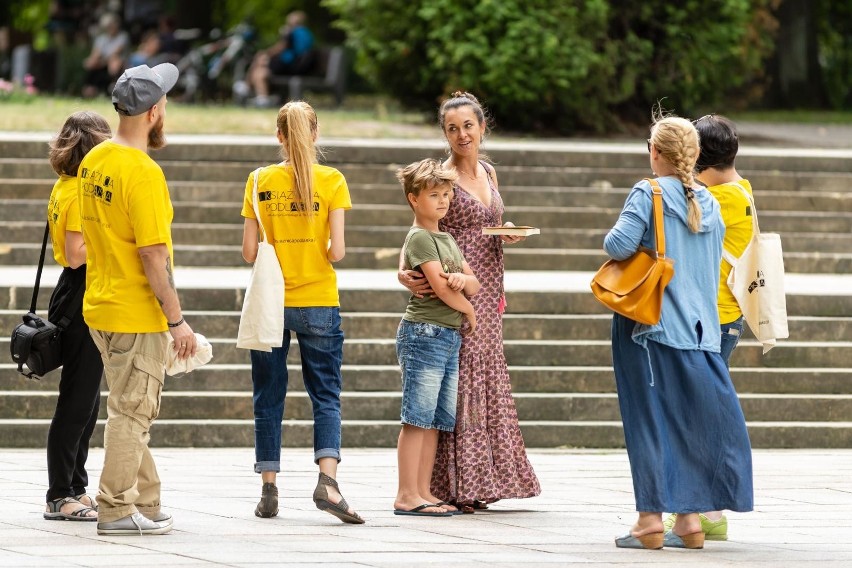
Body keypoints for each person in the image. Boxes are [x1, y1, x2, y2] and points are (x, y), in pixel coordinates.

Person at [605, 112, 753, 550]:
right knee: (686, 424)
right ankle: (688, 521)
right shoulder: (709, 200)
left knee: (648, 422)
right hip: (700, 329)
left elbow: (617, 245)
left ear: (656, 152)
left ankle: (650, 520)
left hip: (648, 328)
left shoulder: (647, 191)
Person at [398, 92, 541, 514]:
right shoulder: (442, 177)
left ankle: (478, 480)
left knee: (484, 378)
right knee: (460, 382)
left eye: (468, 126)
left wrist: (508, 230)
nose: (462, 134)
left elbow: (490, 224)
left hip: (487, 283)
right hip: (454, 287)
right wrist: (405, 272)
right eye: (452, 128)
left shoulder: (489, 172)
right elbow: (421, 229)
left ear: (483, 127)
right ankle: (447, 483)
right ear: (445, 133)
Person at [79, 62, 197, 535]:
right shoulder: (143, 173)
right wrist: (177, 320)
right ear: (153, 111)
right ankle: (114, 508)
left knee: (130, 405)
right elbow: (153, 255)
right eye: (164, 99)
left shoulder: (95, 159)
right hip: (135, 312)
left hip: (100, 306)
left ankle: (144, 501)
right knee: (133, 410)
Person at [240, 100, 363, 525]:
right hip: (318, 300)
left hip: (271, 304)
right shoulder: (333, 181)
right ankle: (327, 483)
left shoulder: (259, 180)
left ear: (279, 136)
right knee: (325, 394)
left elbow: (249, 252)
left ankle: (269, 487)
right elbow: (338, 252)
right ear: (315, 134)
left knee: (267, 396)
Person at [661, 114, 754, 541]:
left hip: (710, 317)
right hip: (720, 316)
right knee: (698, 410)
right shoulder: (740, 188)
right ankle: (707, 511)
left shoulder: (721, 198)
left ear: (701, 158)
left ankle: (700, 510)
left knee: (693, 413)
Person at [393, 159, 480, 517]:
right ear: (414, 199)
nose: (442, 201)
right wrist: (469, 310)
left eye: (446, 194)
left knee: (436, 419)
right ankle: (405, 494)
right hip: (424, 333)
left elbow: (472, 282)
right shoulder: (420, 238)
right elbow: (441, 287)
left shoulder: (446, 238)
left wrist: (464, 282)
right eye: (434, 195)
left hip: (447, 336)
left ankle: (424, 490)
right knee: (417, 416)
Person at [42, 111, 111, 523]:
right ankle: (60, 493)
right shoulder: (75, 194)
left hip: (75, 290)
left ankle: (76, 486)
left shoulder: (66, 185)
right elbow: (73, 253)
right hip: (80, 293)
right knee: (77, 400)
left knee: (88, 399)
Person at [244, 10, 315, 108]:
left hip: (290, 65)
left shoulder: (292, 32)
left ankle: (258, 95)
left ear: (295, 20)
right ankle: (253, 90)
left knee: (260, 68)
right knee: (260, 65)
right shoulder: (307, 33)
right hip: (300, 66)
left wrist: (267, 53)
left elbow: (282, 47)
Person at [82, 12, 130, 98]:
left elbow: (115, 53)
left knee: (114, 62)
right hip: (101, 64)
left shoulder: (123, 37)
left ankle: (112, 86)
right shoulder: (101, 39)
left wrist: (102, 62)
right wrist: (93, 61)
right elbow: (95, 54)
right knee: (91, 64)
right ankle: (91, 88)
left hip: (116, 65)